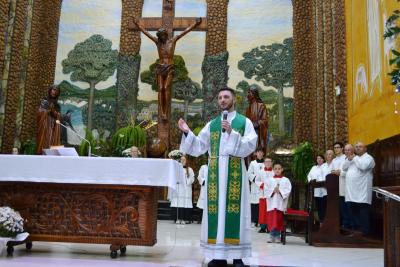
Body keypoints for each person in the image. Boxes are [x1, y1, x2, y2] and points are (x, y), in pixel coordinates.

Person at [178, 87, 257, 267]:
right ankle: (217, 255)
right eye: (220, 97)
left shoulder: (244, 122)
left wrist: (231, 133)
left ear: (234, 99)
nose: (222, 100)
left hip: (235, 169)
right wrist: (186, 132)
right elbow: (198, 146)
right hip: (215, 172)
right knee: (216, 212)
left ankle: (238, 256)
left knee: (237, 212)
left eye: (226, 97)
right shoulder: (212, 124)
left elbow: (251, 145)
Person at [132, 17, 202, 121]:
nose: (162, 37)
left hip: (169, 68)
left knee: (165, 88)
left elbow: (184, 32)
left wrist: (195, 24)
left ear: (166, 34)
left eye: (163, 35)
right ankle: (163, 113)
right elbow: (147, 33)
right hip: (160, 68)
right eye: (160, 36)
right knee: (160, 89)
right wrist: (138, 25)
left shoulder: (172, 41)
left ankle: (165, 112)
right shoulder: (158, 43)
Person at [343, 142, 375, 236]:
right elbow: (344, 168)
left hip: (362, 192)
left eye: (360, 146)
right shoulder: (353, 158)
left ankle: (364, 233)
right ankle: (356, 231)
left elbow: (363, 167)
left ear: (365, 149)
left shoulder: (369, 158)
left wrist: (354, 158)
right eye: (356, 147)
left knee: (363, 214)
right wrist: (349, 160)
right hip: (352, 192)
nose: (357, 148)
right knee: (353, 212)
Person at [264, 163, 292, 243]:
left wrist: (280, 191)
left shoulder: (286, 180)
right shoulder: (269, 180)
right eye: (275, 169)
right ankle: (271, 236)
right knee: (272, 220)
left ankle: (277, 236)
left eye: (279, 168)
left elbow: (288, 190)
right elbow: (266, 190)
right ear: (273, 170)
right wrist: (273, 191)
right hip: (272, 203)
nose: (277, 170)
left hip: (280, 203)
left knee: (279, 220)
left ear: (282, 169)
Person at [331, 142, 352, 229]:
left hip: (345, 185)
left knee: (347, 207)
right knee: (340, 208)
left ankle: (348, 225)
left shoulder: (346, 158)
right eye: (335, 148)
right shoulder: (334, 160)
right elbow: (332, 170)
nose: (336, 149)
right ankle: (341, 224)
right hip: (336, 186)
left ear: (342, 148)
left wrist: (340, 173)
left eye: (338, 147)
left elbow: (350, 172)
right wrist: (333, 172)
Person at [36, 85, 61, 154]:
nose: (54, 92)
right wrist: (48, 110)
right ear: (50, 90)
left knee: (51, 142)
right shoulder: (44, 101)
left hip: (53, 127)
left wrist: (53, 111)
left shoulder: (57, 105)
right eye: (53, 90)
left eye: (57, 91)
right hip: (44, 126)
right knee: (43, 142)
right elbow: (39, 113)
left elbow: (58, 116)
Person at [170, 155, 195, 224]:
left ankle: (184, 219)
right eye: (181, 160)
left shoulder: (190, 169)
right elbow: (173, 177)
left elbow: (192, 178)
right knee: (178, 203)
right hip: (179, 188)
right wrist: (177, 181)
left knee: (185, 203)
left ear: (186, 161)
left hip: (186, 189)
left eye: (184, 160)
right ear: (179, 161)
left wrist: (187, 181)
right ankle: (177, 218)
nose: (183, 161)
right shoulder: (177, 169)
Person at [245, 85, 268, 155]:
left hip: (257, 133)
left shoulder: (261, 106)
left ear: (254, 94)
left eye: (249, 92)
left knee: (256, 154)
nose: (248, 94)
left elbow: (265, 120)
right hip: (249, 134)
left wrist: (256, 124)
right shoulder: (248, 108)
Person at [247, 148, 265, 228]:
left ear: (263, 153)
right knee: (254, 204)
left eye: (261, 152)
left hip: (263, 186)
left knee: (262, 204)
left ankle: (261, 222)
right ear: (256, 153)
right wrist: (255, 179)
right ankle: (254, 221)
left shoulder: (266, 163)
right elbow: (249, 173)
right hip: (255, 186)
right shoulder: (252, 163)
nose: (260, 153)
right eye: (258, 152)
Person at [307, 154, 327, 225]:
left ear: (323, 159)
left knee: (324, 208)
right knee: (318, 208)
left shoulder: (326, 166)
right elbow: (309, 176)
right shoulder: (314, 167)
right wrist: (311, 181)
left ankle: (324, 223)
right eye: (318, 158)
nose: (319, 160)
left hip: (325, 191)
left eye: (320, 158)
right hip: (316, 191)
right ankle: (320, 223)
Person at [257, 157, 274, 233]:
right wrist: (262, 185)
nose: (268, 163)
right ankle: (263, 227)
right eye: (266, 162)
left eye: (269, 161)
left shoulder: (274, 172)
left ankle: (269, 227)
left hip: (271, 194)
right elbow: (257, 180)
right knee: (262, 211)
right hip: (263, 193)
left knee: (270, 210)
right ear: (264, 163)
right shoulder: (260, 172)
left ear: (271, 163)